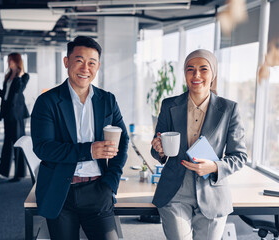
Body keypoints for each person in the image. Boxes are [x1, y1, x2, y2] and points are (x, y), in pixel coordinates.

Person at [31, 36, 129, 240]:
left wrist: (111, 181)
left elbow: (124, 140)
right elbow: (43, 148)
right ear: (67, 62)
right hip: (61, 192)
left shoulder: (107, 100)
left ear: (98, 66)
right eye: (79, 60)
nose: (86, 68)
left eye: (92, 62)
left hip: (98, 190)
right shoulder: (47, 101)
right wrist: (88, 151)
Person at [150, 49, 247, 240]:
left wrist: (214, 167)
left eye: (203, 69)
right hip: (175, 191)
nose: (196, 75)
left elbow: (240, 156)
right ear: (185, 73)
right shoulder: (169, 105)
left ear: (213, 74)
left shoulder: (229, 109)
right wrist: (159, 149)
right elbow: (157, 151)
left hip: (212, 191)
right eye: (190, 69)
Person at [0, 53, 29, 182]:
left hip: (17, 115)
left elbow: (18, 90)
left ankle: (20, 173)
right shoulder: (8, 76)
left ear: (16, 61)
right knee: (7, 144)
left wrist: (19, 76)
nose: (8, 63)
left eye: (10, 60)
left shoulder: (24, 76)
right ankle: (2, 170)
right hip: (8, 114)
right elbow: (6, 96)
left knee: (18, 143)